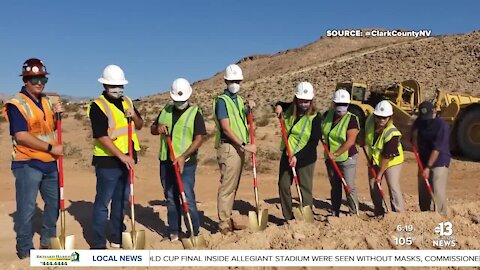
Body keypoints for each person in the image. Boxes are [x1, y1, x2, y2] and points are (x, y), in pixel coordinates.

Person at [2, 58, 63, 259]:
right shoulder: (16, 104)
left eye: (42, 79)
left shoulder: (46, 101)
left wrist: (56, 117)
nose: (39, 83)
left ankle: (48, 240)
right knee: (27, 209)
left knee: (54, 205)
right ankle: (25, 250)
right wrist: (50, 147)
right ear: (26, 80)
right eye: (34, 78)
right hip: (27, 163)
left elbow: (48, 128)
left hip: (49, 163)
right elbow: (21, 135)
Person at [88, 64, 143, 249]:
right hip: (108, 161)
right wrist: (122, 156)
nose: (118, 89)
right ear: (104, 86)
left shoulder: (127, 101)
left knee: (121, 200)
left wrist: (134, 116)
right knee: (103, 202)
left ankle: (117, 235)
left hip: (127, 160)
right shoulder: (98, 106)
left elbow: (141, 125)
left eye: (120, 86)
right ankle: (97, 243)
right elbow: (101, 136)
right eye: (113, 86)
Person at [151, 78, 206, 241]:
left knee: (186, 197)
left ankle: (194, 232)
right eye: (176, 100)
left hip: (186, 163)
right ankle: (174, 230)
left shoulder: (195, 113)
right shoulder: (166, 109)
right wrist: (158, 128)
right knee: (170, 197)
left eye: (182, 100)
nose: (179, 103)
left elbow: (199, 139)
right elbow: (152, 129)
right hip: (166, 161)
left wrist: (184, 156)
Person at [213, 64, 256, 235]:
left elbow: (241, 117)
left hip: (239, 147)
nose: (235, 83)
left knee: (233, 186)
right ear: (225, 81)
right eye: (232, 81)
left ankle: (228, 217)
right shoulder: (222, 101)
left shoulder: (238, 100)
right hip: (230, 148)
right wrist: (244, 145)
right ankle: (223, 223)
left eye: (237, 81)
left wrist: (249, 108)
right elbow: (226, 128)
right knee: (227, 187)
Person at [274, 82, 322, 223]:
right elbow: (279, 103)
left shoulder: (316, 118)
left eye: (307, 101)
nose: (304, 103)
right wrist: (277, 106)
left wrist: (297, 157)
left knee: (304, 189)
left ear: (311, 100)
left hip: (305, 158)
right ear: (296, 99)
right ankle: (288, 217)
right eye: (301, 100)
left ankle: (306, 218)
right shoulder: (290, 108)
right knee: (283, 185)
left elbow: (314, 142)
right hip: (287, 155)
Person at [321, 89, 360, 217]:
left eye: (344, 104)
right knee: (335, 186)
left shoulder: (352, 119)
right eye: (338, 104)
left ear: (348, 105)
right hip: (330, 159)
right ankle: (335, 211)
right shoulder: (328, 115)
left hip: (347, 158)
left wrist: (336, 154)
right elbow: (322, 131)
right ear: (333, 103)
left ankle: (354, 212)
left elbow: (351, 141)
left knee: (348, 185)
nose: (341, 107)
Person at [364, 100, 405, 216]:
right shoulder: (370, 121)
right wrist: (362, 138)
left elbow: (387, 157)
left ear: (389, 118)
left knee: (393, 185)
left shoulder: (392, 134)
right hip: (375, 159)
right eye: (379, 117)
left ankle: (398, 213)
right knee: (373, 185)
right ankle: (379, 210)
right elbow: (365, 131)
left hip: (392, 161)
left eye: (384, 118)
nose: (381, 120)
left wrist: (380, 173)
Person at [411, 101, 451, 215]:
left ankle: (440, 214)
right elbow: (414, 131)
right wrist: (414, 139)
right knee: (423, 186)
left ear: (434, 111)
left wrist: (428, 167)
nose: (426, 120)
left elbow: (437, 149)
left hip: (439, 159)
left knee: (437, 185)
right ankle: (425, 213)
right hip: (423, 158)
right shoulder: (420, 120)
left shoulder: (442, 126)